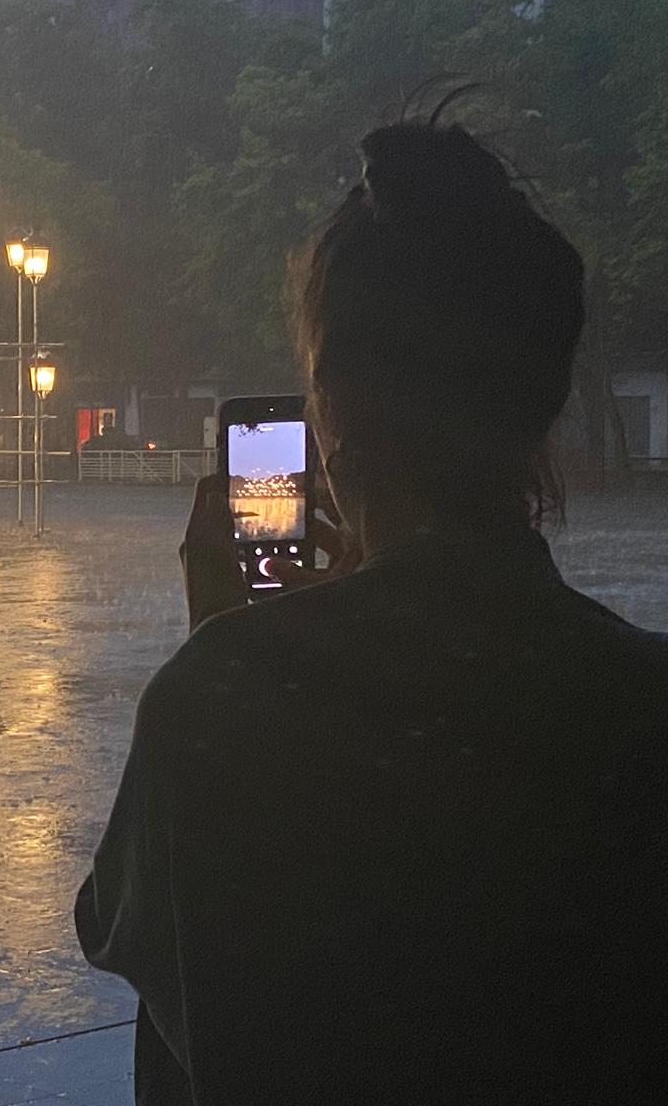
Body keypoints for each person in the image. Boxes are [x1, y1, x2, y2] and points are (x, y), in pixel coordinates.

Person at [76, 119, 668, 1103]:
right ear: (542, 403)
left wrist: (225, 649)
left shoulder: (222, 702)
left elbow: (140, 940)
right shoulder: (644, 704)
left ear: (332, 417)